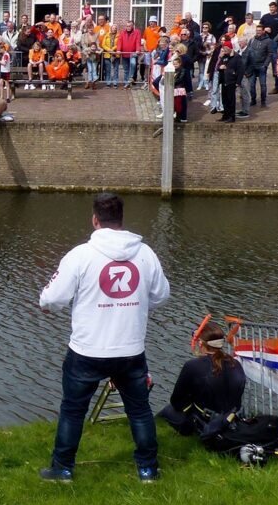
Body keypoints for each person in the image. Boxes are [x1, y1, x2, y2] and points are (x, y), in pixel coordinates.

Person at [38, 193, 170, 483]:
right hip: (130, 350)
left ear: (95, 219)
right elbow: (161, 295)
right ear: (121, 219)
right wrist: (137, 304)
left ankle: (62, 469)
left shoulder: (80, 255)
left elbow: (52, 297)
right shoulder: (145, 254)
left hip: (87, 350)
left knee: (73, 411)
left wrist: (46, 305)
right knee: (139, 410)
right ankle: (148, 470)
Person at [157, 322, 245, 435]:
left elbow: (176, 401)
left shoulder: (192, 365)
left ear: (200, 343)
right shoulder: (236, 364)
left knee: (167, 411)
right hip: (229, 421)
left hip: (205, 422)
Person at [217, 38, 243, 123]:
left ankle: (232, 116)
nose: (224, 51)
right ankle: (226, 115)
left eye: (225, 49)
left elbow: (240, 70)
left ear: (229, 48)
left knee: (231, 100)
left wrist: (238, 82)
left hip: (231, 81)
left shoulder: (236, 57)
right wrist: (220, 67)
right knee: (224, 99)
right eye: (223, 49)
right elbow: (218, 66)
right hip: (224, 80)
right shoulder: (224, 56)